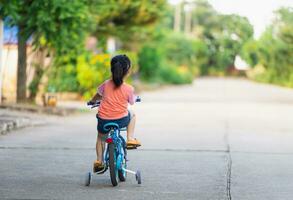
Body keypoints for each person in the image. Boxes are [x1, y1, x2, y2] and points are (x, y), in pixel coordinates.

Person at [89, 54, 141, 172]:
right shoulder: (129, 89)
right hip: (121, 119)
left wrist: (92, 101)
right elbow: (132, 101)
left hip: (104, 120)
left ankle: (99, 161)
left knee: (101, 139)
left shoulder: (105, 84)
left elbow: (97, 96)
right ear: (127, 71)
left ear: (112, 69)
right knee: (132, 114)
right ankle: (130, 138)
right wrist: (134, 97)